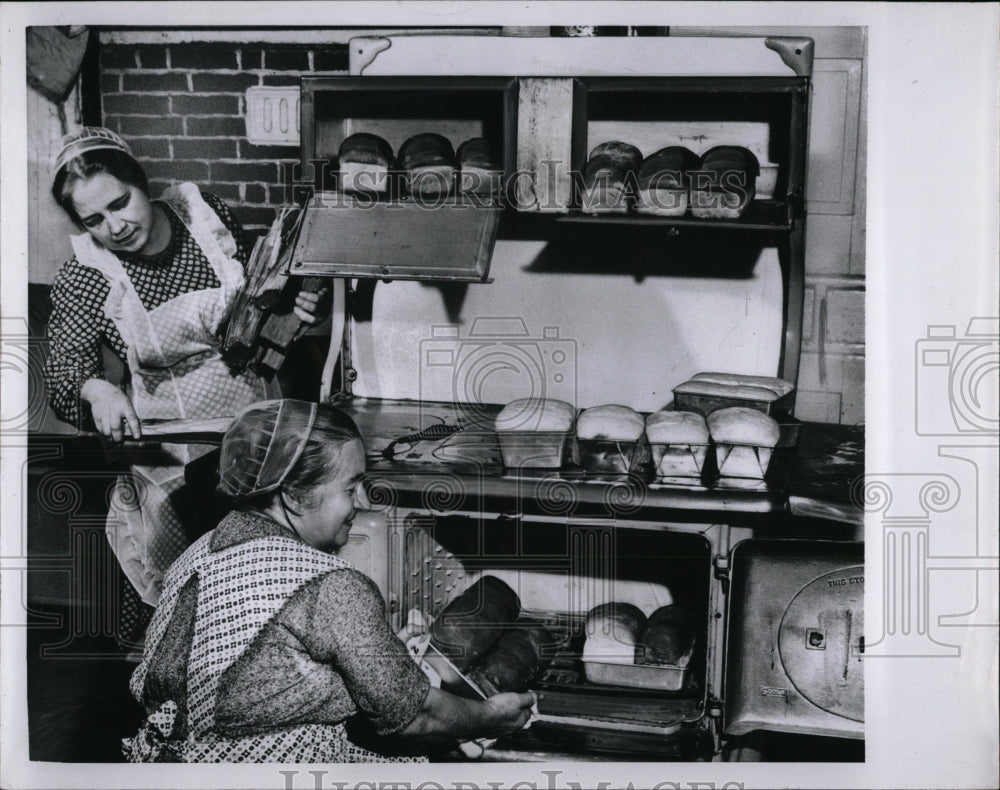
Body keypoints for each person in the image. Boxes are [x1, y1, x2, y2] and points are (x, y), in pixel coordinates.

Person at [123, 399, 537, 762]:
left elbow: (263, 667)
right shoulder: (331, 585)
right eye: (351, 487)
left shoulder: (195, 556)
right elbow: (415, 716)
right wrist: (491, 717)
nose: (365, 502)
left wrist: (376, 645)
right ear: (293, 496)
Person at [42, 127, 329, 635]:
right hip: (172, 465)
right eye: (95, 219)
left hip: (258, 441)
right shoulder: (87, 273)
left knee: (268, 597)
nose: (115, 225)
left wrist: (294, 309)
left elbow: (258, 311)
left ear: (140, 181)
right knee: (184, 610)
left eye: (120, 202)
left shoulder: (206, 216)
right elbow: (65, 373)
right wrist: (98, 388)